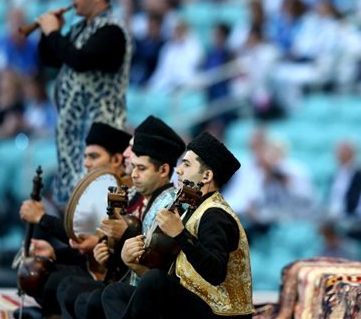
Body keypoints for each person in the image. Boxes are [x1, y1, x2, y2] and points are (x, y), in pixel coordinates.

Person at [102, 132, 253, 319]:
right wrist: (134, 263)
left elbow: (216, 273)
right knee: (114, 293)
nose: (179, 170)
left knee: (155, 281)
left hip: (220, 313)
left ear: (206, 176)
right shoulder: (195, 206)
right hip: (195, 303)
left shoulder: (215, 214)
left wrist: (180, 233)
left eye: (186, 164)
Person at [61, 115, 185, 319]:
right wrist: (107, 255)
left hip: (154, 294)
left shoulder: (169, 204)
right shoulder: (142, 197)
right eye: (134, 167)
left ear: (163, 170)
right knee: (73, 290)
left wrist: (126, 234)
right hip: (130, 283)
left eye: (141, 168)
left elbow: (156, 262)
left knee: (97, 298)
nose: (134, 174)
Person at [36, 0, 131, 203]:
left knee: (95, 207)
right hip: (75, 139)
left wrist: (53, 33)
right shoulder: (80, 28)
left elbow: (79, 60)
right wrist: (48, 34)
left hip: (101, 137)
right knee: (72, 213)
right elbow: (51, 60)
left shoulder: (112, 31)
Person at [17, 122, 131, 318]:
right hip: (88, 265)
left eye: (94, 156)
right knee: (38, 272)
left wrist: (41, 218)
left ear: (116, 159)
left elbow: (84, 238)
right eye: (86, 156)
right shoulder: (99, 188)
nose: (87, 163)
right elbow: (84, 246)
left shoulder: (123, 194)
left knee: (56, 283)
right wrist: (54, 253)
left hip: (110, 276)